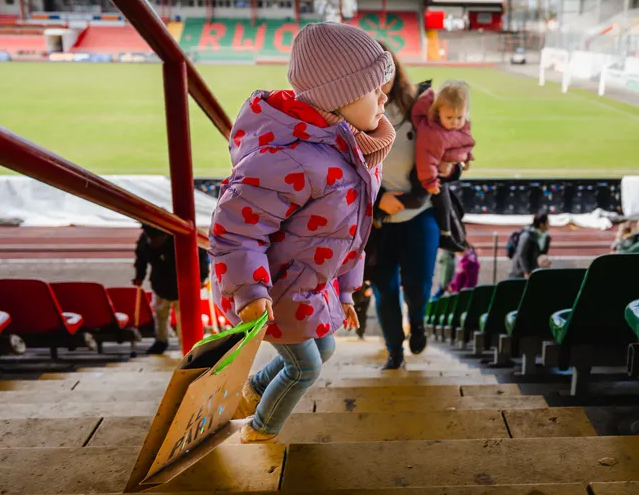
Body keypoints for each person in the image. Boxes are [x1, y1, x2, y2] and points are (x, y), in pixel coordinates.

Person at [210, 22, 394, 443]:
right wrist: (250, 292)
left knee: (324, 349)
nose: (385, 99)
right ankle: (258, 434)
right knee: (305, 367)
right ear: (338, 98)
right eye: (374, 90)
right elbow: (234, 231)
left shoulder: (354, 152)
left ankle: (251, 393)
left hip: (309, 285)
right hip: (272, 292)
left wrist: (346, 291)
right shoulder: (292, 159)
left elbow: (351, 234)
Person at [368, 47, 458, 370]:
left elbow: (450, 146)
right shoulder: (352, 114)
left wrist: (451, 166)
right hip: (376, 223)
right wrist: (379, 202)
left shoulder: (421, 106)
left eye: (385, 70)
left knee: (418, 283)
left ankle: (417, 320)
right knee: (384, 289)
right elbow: (341, 171)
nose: (381, 79)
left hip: (419, 213)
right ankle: (395, 350)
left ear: (396, 69)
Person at [412, 81, 475, 251]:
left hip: (438, 172)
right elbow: (425, 158)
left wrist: (466, 158)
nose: (455, 122)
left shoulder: (459, 125)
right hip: (426, 175)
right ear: (437, 112)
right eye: (449, 118)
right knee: (425, 198)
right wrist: (430, 181)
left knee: (446, 202)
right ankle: (446, 234)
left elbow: (463, 143)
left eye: (459, 117)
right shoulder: (432, 133)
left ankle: (447, 233)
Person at [132, 224, 209, 355]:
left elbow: (201, 259)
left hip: (184, 285)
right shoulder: (145, 241)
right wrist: (139, 276)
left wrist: (201, 278)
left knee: (183, 317)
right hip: (160, 284)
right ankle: (161, 341)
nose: (153, 241)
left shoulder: (181, 239)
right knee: (160, 314)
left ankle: (185, 343)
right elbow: (141, 259)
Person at [509, 212, 550, 278]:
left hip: (534, 271)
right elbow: (521, 254)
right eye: (548, 222)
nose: (549, 224)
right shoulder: (527, 236)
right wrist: (526, 272)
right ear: (541, 224)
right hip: (520, 273)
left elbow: (542, 254)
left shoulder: (546, 237)